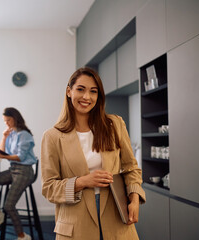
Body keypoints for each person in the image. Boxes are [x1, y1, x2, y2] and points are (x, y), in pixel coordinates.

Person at [41, 67, 146, 240]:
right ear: (69, 91)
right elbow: (49, 188)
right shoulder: (52, 136)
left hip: (116, 215)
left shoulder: (115, 124)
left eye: (93, 91)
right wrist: (82, 182)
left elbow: (131, 167)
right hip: (75, 223)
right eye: (80, 89)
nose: (86, 97)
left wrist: (134, 198)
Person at [0, 107, 37, 240]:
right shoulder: (11, 133)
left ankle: (22, 235)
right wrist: (4, 137)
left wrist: (4, 156)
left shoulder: (24, 134)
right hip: (13, 170)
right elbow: (2, 152)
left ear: (15, 118)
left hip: (24, 171)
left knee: (9, 205)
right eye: (4, 121)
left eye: (8, 120)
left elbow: (20, 157)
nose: (6, 123)